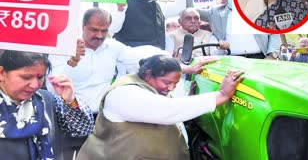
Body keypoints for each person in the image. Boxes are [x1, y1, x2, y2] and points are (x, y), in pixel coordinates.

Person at [77, 54, 244, 160]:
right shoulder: (123, 94)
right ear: (148, 74)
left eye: (175, 83)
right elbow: (168, 110)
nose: (171, 88)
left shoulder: (149, 85)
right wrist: (221, 94)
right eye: (167, 82)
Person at [0, 50, 94, 160]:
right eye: (26, 77)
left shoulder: (46, 100)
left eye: (40, 78)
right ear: (2, 73)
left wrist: (70, 100)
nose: (35, 85)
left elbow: (82, 130)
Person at [186, 0, 281, 59]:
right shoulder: (214, 13)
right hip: (231, 60)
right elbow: (190, 10)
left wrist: (272, 55)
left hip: (260, 59)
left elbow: (274, 32)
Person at [109, 0, 187, 50]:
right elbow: (113, 29)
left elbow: (179, 8)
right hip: (130, 55)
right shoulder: (122, 3)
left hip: (155, 55)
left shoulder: (159, 6)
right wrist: (120, 10)